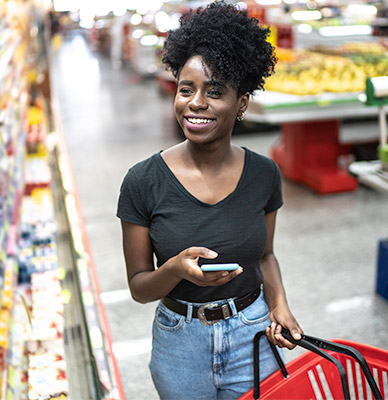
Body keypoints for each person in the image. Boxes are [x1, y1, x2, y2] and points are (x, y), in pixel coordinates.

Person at [116, 2, 302, 399]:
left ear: (242, 103)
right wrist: (176, 270)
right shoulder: (143, 181)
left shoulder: (264, 174)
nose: (195, 103)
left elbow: (265, 255)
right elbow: (139, 287)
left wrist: (280, 305)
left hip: (253, 332)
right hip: (179, 342)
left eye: (214, 92)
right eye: (186, 89)